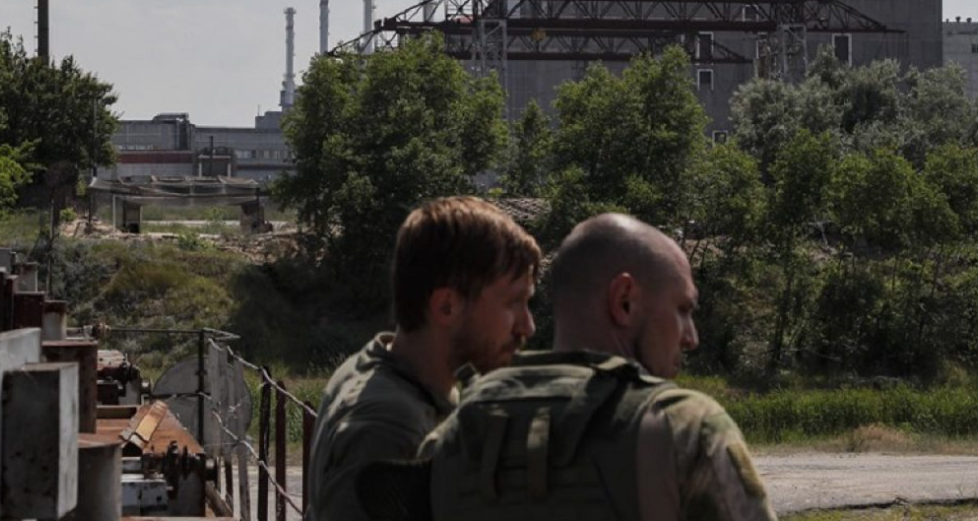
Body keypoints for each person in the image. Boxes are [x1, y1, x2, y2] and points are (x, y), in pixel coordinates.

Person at [412, 212, 776, 521]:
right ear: (625, 301)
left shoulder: (450, 434)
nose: (691, 337)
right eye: (682, 310)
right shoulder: (683, 427)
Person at [305, 196, 541, 521]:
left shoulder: (375, 366)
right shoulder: (389, 429)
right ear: (447, 306)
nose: (527, 325)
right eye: (514, 302)